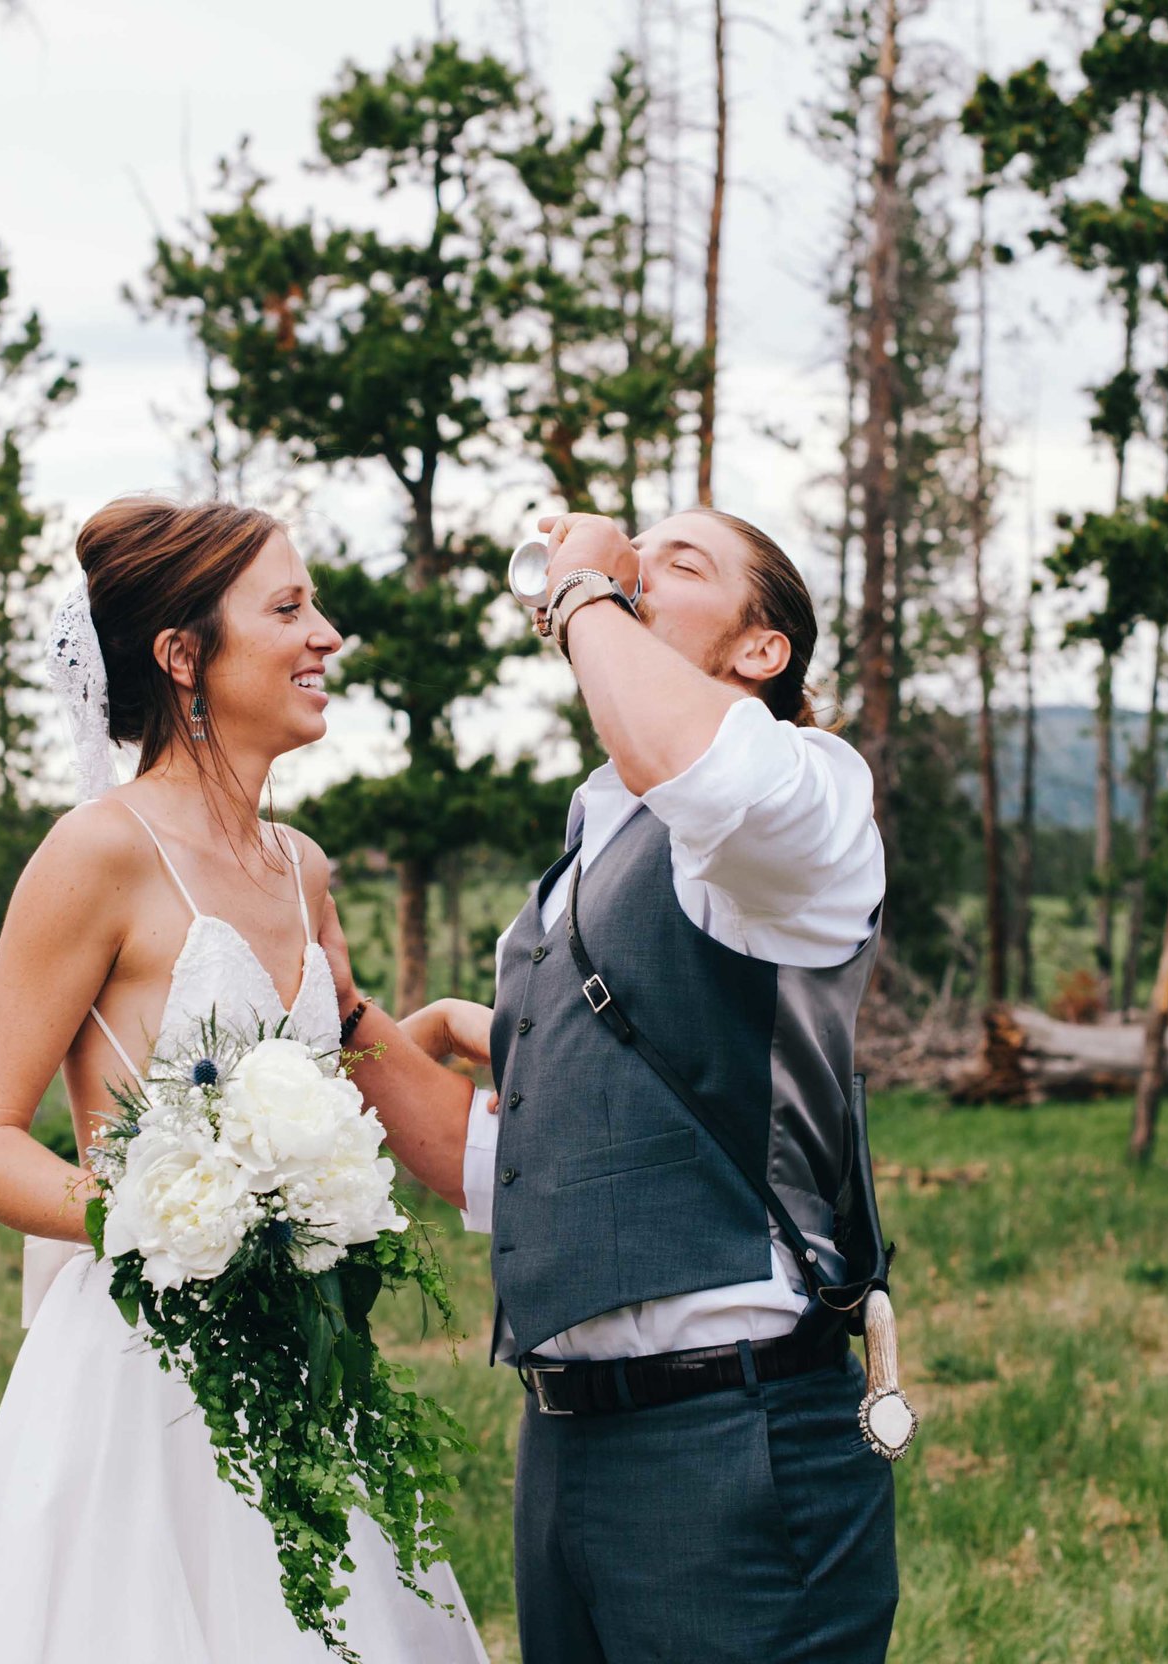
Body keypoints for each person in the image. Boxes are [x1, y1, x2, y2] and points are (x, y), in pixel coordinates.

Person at [335, 508, 899, 1664]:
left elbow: (693, 762)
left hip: (734, 1443)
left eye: (677, 564)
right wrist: (343, 1018)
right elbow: (519, 1170)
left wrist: (583, 585)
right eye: (631, 553)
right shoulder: (591, 844)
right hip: (566, 1454)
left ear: (761, 651)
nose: (636, 570)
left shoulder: (804, 792)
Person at [0, 496, 485, 1664]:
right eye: (287, 607)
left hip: (302, 1363)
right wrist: (164, 1219)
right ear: (184, 655)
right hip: (143, 1377)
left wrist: (427, 1027)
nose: (326, 633)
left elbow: (311, 1084)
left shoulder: (303, 870)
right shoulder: (98, 853)